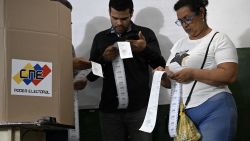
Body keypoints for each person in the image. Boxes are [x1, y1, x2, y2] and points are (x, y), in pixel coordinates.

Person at [156, 0, 238, 141]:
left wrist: (193, 73)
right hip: (182, 112)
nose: (185, 25)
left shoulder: (219, 39)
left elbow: (229, 75)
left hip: (214, 108)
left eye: (187, 18)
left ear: (201, 13)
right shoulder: (179, 44)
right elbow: (171, 83)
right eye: (180, 21)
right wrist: (162, 77)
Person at [86, 0, 166, 141]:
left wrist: (144, 49)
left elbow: (160, 66)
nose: (119, 23)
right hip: (109, 110)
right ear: (109, 13)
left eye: (124, 19)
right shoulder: (100, 38)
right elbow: (92, 76)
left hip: (140, 109)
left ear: (131, 13)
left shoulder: (145, 35)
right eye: (115, 18)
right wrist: (103, 59)